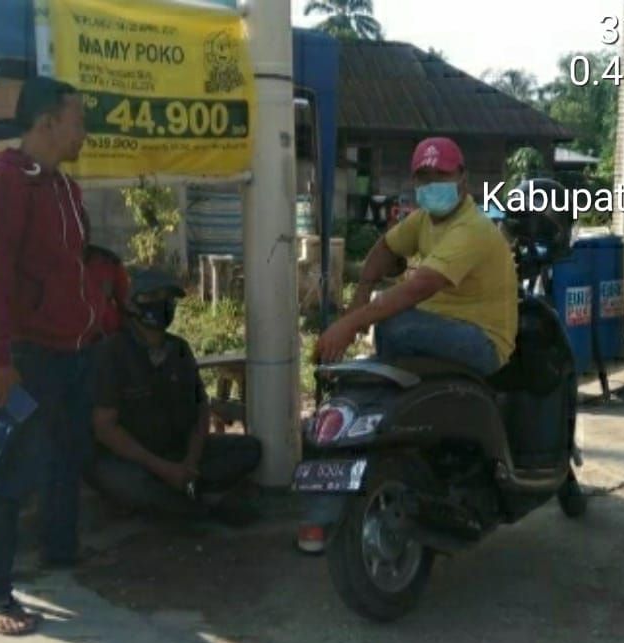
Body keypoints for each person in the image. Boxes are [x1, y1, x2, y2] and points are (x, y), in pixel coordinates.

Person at [303, 136, 519, 552]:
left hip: (481, 342)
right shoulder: (424, 221)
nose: (433, 182)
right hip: (436, 330)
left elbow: (416, 288)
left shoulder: (471, 229)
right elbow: (385, 248)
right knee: (371, 358)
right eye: (424, 176)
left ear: (462, 179)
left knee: (394, 326)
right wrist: (361, 291)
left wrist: (351, 323)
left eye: (442, 174)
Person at [0, 76, 104, 636]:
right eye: (78, 120)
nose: (84, 131)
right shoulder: (3, 183)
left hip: (72, 353)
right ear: (47, 122)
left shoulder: (63, 188)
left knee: (65, 455)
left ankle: (60, 551)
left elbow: (74, 267)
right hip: (24, 357)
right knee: (14, 468)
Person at [87, 268, 262, 524]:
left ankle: (178, 497)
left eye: (169, 298)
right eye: (154, 296)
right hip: (134, 460)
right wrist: (162, 468)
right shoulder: (112, 353)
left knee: (249, 449)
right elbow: (105, 428)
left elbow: (200, 409)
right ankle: (191, 504)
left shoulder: (179, 349)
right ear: (134, 304)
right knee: (124, 482)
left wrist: (190, 461)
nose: (164, 304)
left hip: (177, 453)